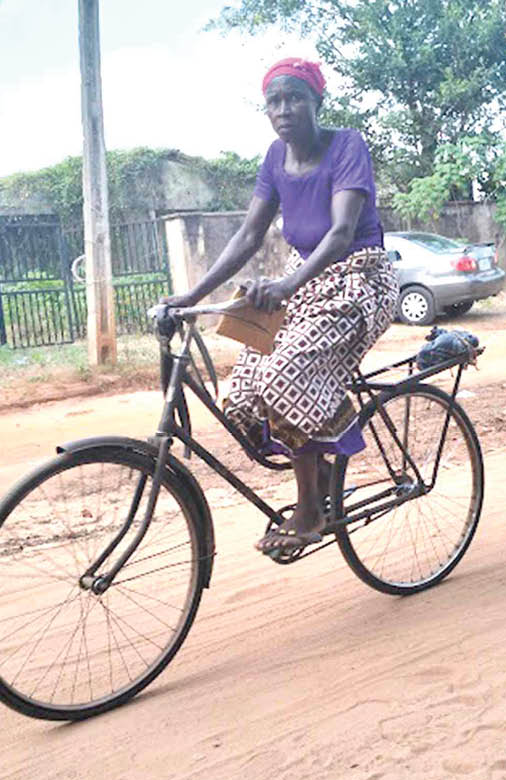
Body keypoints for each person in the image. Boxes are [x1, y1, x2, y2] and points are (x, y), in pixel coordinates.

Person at [163, 57, 398, 555]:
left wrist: (288, 283)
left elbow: (339, 234)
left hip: (360, 280)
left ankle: (311, 505)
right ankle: (324, 478)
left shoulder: (347, 146)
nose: (284, 109)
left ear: (317, 102)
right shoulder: (274, 157)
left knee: (284, 377)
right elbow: (249, 234)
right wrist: (191, 296)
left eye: (295, 98)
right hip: (306, 283)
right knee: (244, 395)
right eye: (275, 101)